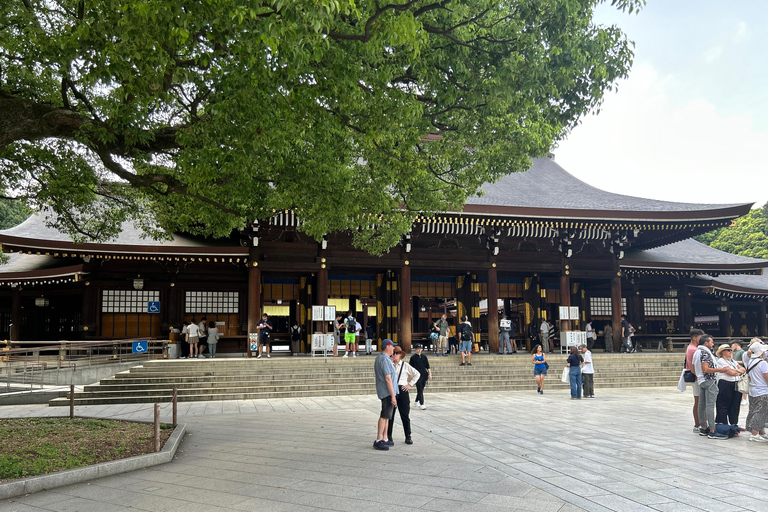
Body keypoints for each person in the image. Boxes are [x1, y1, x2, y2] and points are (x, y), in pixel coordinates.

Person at [691, 334, 729, 439]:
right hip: (709, 380)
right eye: (711, 342)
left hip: (701, 380)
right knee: (710, 405)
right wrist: (720, 370)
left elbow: (693, 368)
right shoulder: (705, 353)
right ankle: (712, 430)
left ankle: (703, 427)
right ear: (706, 343)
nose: (713, 344)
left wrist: (699, 376)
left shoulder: (696, 352)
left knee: (701, 405)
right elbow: (706, 369)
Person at [387, 346, 421, 445]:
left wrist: (409, 384)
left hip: (402, 390)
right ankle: (389, 436)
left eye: (397, 353)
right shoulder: (389, 365)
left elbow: (417, 374)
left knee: (405, 415)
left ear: (401, 354)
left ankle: (408, 435)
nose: (395, 355)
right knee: (390, 415)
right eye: (393, 353)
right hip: (392, 390)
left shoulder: (405, 365)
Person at [373, 339, 398, 451]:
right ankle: (379, 439)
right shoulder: (384, 359)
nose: (394, 348)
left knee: (388, 416)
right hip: (387, 391)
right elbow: (388, 379)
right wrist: (393, 396)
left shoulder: (384, 359)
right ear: (387, 346)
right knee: (384, 415)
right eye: (392, 346)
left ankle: (385, 437)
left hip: (387, 391)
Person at [743, 341, 768, 443]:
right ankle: (754, 434)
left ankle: (760, 431)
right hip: (762, 390)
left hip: (753, 389)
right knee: (761, 412)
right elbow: (766, 377)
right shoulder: (762, 363)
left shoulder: (751, 361)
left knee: (754, 410)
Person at [714, 344, 745, 427]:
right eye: (728, 350)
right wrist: (737, 371)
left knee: (735, 404)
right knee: (724, 404)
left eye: (731, 350)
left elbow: (743, 369)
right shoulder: (721, 361)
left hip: (736, 383)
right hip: (725, 383)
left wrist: (736, 371)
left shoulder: (732, 361)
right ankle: (723, 423)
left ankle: (734, 423)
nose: (731, 352)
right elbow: (730, 373)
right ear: (723, 352)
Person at [685, 329, 704, 432]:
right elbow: (694, 366)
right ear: (695, 338)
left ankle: (700, 422)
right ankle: (698, 423)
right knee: (699, 401)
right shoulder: (693, 349)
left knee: (699, 401)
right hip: (697, 377)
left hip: (696, 377)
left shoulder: (690, 348)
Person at [409, 343, 431, 409]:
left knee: (421, 389)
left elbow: (428, 366)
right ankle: (422, 403)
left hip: (424, 375)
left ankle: (416, 401)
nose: (419, 350)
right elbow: (410, 368)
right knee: (420, 389)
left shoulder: (424, 357)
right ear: (415, 349)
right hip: (416, 376)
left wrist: (430, 374)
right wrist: (409, 377)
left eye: (420, 349)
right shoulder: (413, 358)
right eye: (417, 349)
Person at [731, 341, 747, 405]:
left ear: (735, 345)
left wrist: (735, 362)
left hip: (741, 369)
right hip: (736, 370)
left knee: (743, 384)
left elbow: (744, 361)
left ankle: (744, 398)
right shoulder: (735, 352)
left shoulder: (741, 352)